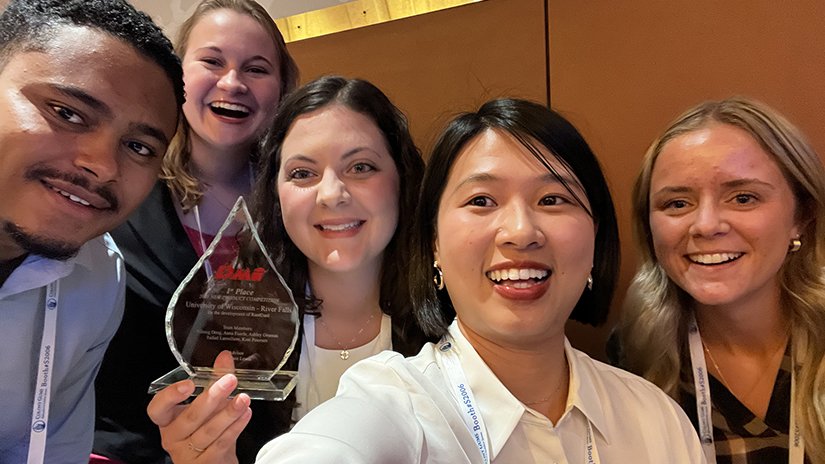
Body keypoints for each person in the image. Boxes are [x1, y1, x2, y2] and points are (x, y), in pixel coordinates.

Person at [243, 98, 704, 462]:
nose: (521, 231)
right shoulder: (399, 400)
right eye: (482, 200)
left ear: (595, 235)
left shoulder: (656, 420)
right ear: (435, 245)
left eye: (552, 199)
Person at [147, 76, 430, 463]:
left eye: (361, 167)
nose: (331, 194)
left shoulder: (457, 322)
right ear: (275, 194)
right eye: (302, 173)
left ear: (402, 179)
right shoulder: (231, 330)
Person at [93, 1, 298, 463]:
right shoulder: (118, 188)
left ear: (282, 87)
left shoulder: (297, 201)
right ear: (177, 75)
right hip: (129, 448)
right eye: (211, 61)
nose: (232, 83)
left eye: (257, 68)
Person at [0, 0, 184, 462]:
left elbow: (51, 445)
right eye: (68, 112)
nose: (102, 165)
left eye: (138, 146)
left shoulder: (96, 272)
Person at [612, 97, 825, 464]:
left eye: (743, 198)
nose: (707, 226)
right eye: (677, 203)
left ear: (801, 216)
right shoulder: (638, 351)